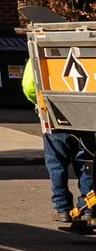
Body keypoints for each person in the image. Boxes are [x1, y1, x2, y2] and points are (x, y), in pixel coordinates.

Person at [28, 65, 94, 230]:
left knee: (57, 164)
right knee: (86, 165)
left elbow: (29, 86)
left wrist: (36, 102)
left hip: (55, 117)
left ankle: (62, 209)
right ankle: (88, 208)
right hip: (86, 117)